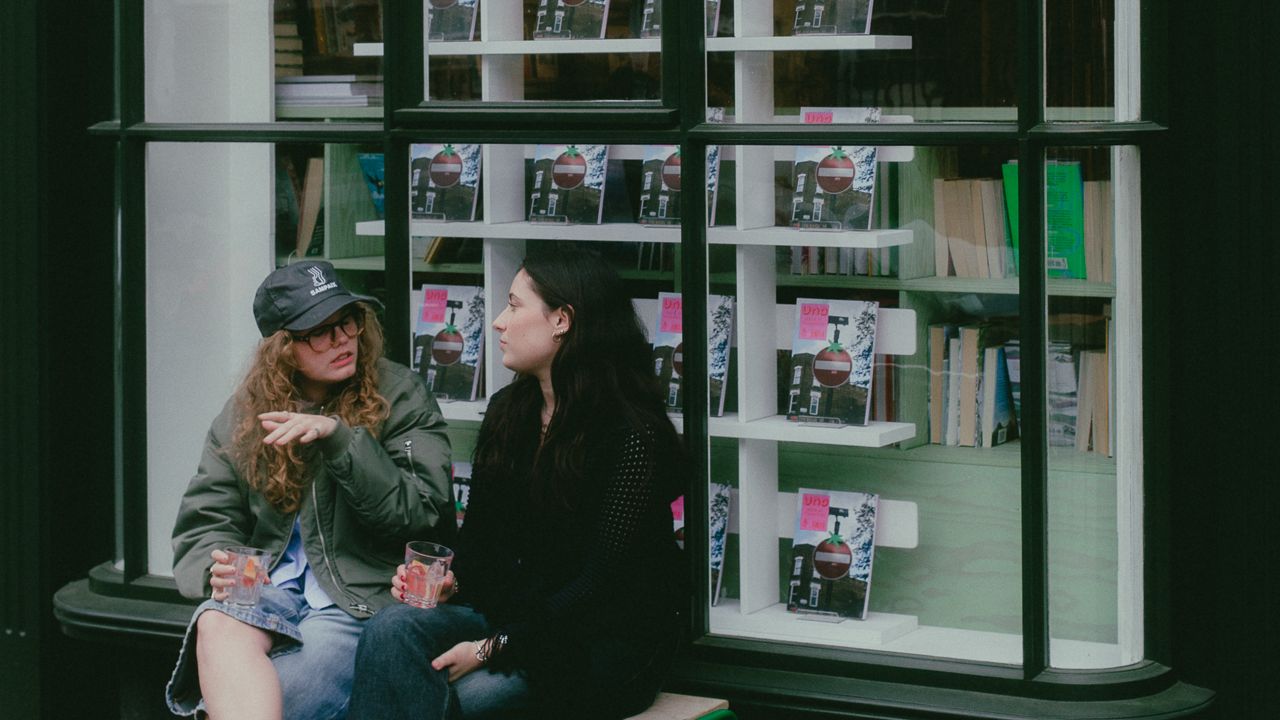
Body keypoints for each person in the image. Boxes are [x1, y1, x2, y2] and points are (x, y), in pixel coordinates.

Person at [347, 247, 688, 720]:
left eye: (514, 305)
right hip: (516, 616)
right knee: (390, 628)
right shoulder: (512, 410)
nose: (498, 322)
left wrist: (490, 649)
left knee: (465, 701)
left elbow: (599, 587)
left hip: (602, 640)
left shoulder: (632, 434)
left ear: (561, 320)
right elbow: (483, 539)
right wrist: (450, 582)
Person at [165, 260, 455, 720]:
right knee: (216, 621)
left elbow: (422, 511)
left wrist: (340, 439)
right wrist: (214, 566)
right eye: (321, 331)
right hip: (268, 586)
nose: (343, 339)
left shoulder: (400, 393)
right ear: (283, 348)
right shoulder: (245, 412)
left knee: (286, 694)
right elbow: (206, 518)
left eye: (348, 321)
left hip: (357, 599)